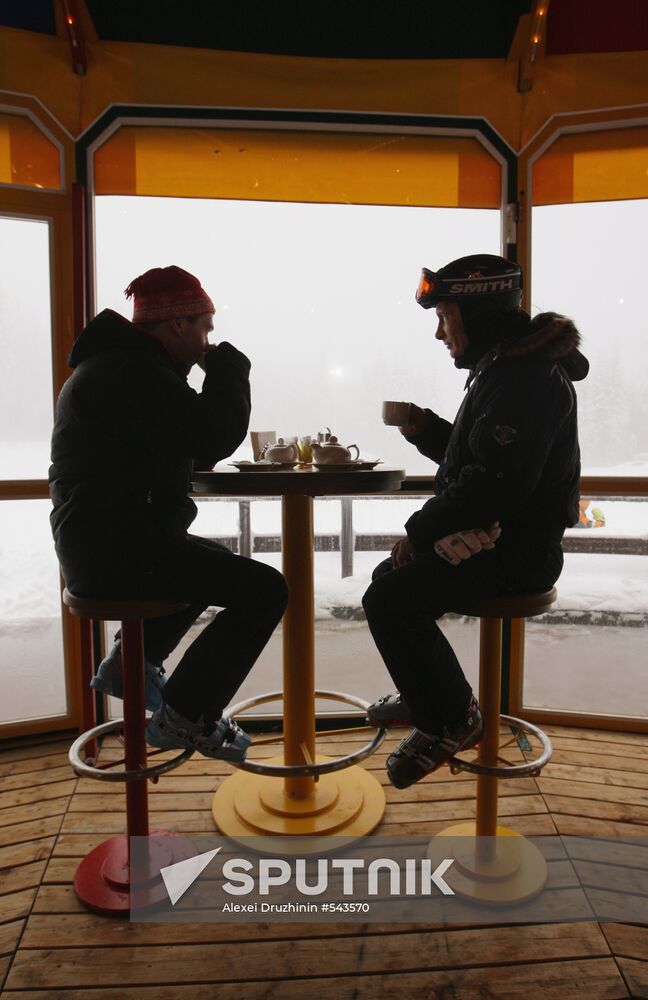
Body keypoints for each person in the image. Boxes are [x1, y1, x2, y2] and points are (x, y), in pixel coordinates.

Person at [363, 253, 588, 789]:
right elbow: (483, 461)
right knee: (386, 585)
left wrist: (417, 535)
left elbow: (493, 486)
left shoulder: (523, 378)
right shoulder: (507, 367)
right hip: (501, 539)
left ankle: (450, 720)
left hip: (519, 553)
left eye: (446, 317)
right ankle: (431, 696)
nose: (441, 334)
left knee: (389, 600)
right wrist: (425, 430)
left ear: (480, 312)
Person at [49, 265, 288, 762]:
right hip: (120, 552)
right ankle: (186, 716)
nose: (207, 342)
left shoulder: (120, 367)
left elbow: (189, 447)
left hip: (105, 546)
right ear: (177, 323)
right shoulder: (133, 372)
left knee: (206, 565)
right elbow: (212, 437)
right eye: (204, 327)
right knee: (266, 591)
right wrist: (229, 369)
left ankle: (130, 666)